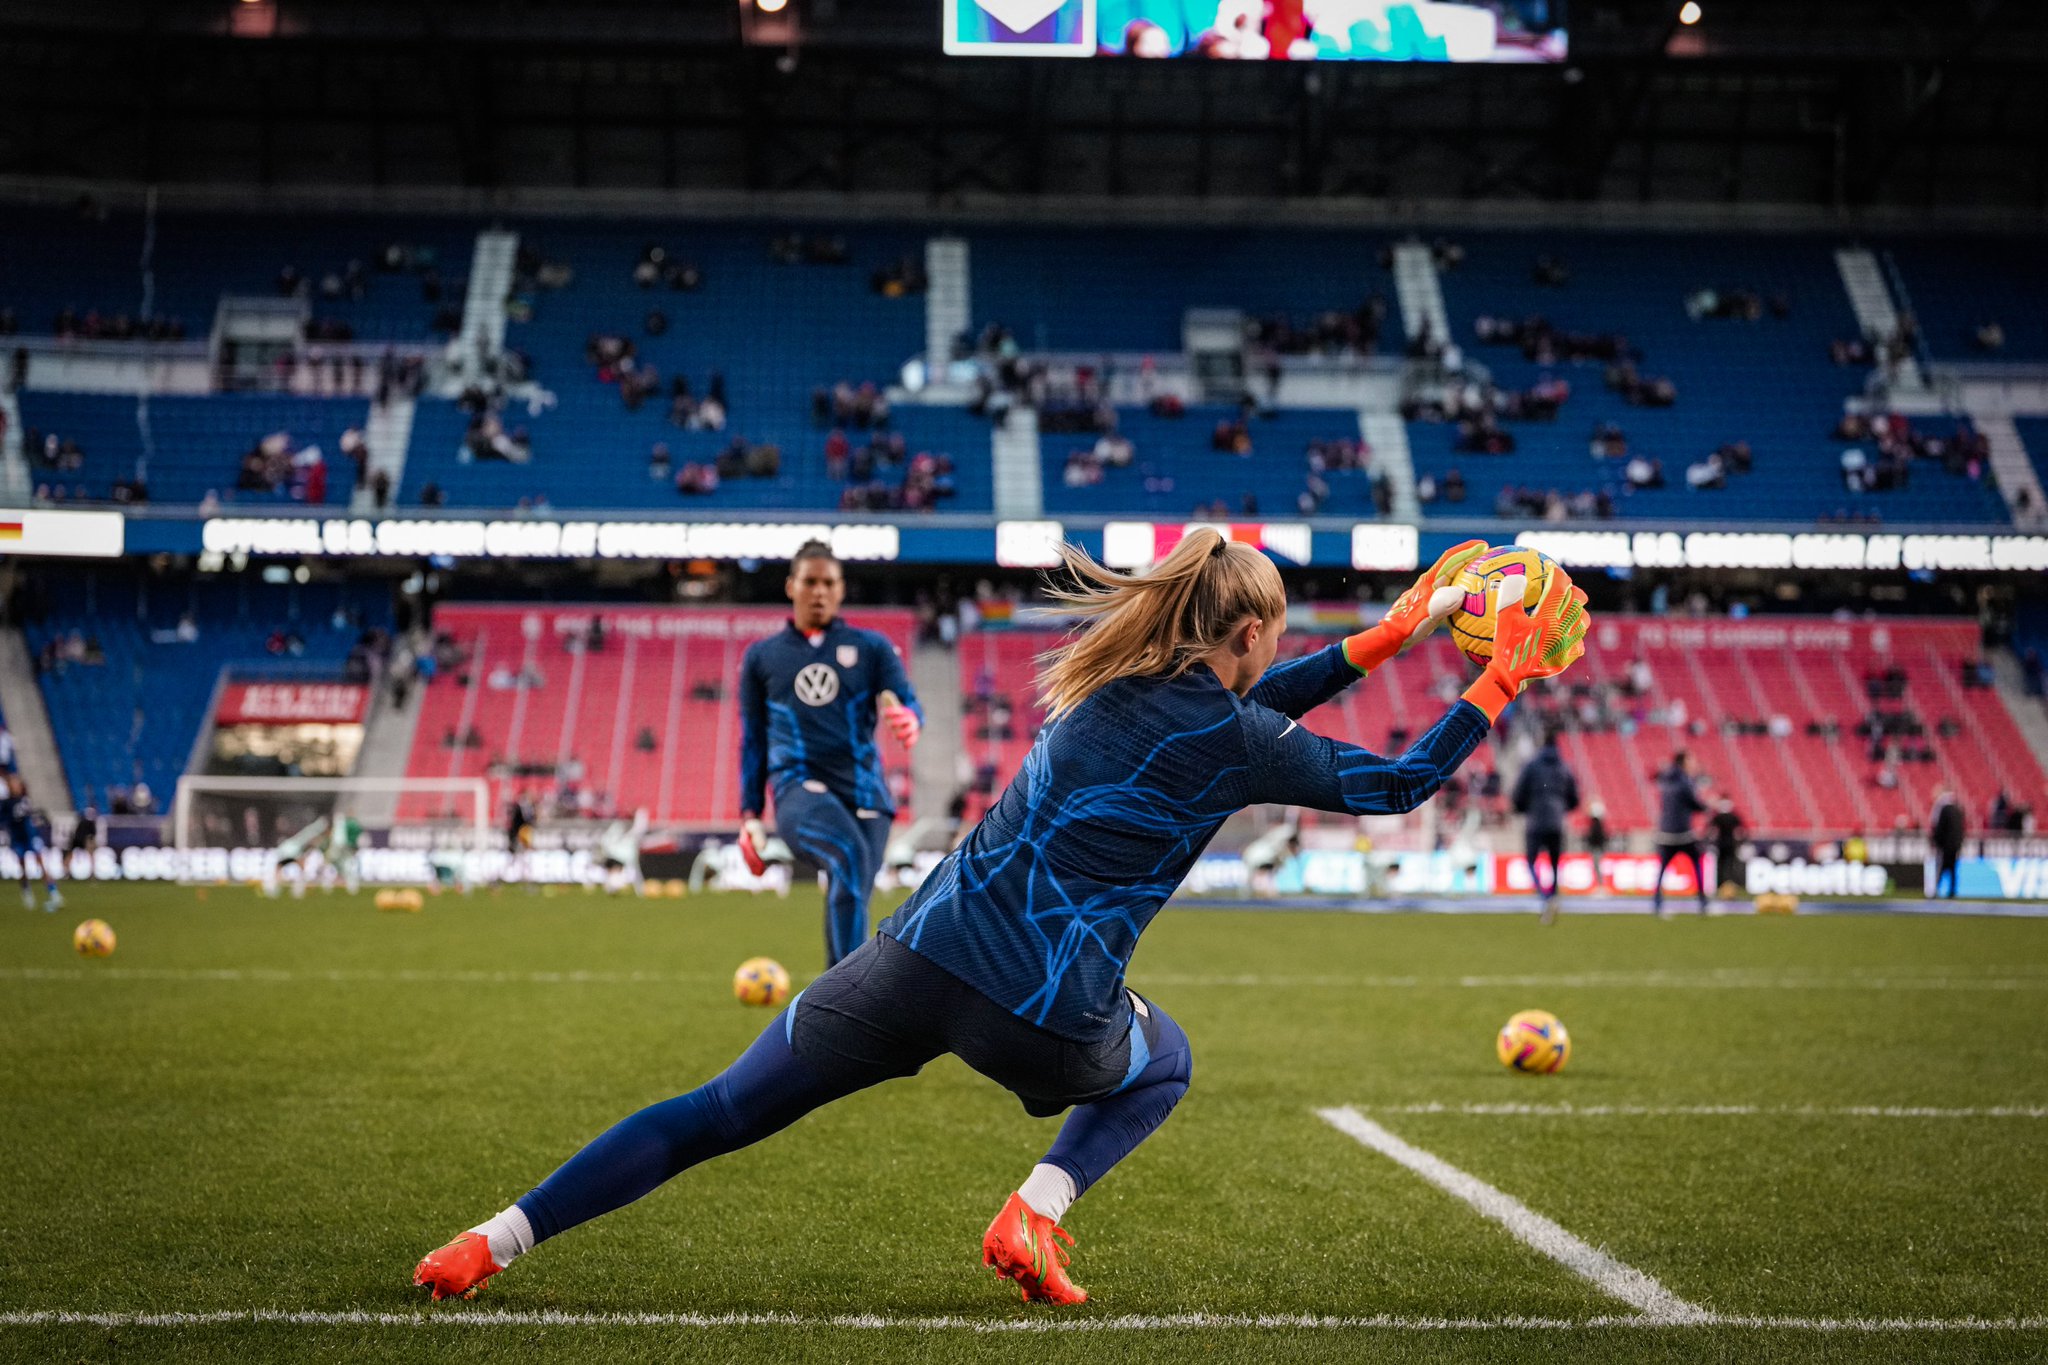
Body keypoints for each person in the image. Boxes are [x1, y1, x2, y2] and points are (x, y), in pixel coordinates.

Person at [412, 532, 1589, 1307]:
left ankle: (493, 1239)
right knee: (1161, 1060)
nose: (1272, 657)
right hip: (1039, 1013)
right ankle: (1031, 1213)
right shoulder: (1228, 738)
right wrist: (1497, 677)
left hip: (911, 959)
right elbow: (1388, 782)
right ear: (1241, 639)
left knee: (713, 1113)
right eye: (1269, 641)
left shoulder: (1109, 681)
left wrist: (1391, 636)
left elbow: (1250, 715)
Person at [736, 540, 925, 968]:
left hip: (866, 795)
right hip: (797, 788)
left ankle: (832, 1002)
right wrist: (749, 814)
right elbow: (753, 741)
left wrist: (911, 719)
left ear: (840, 590)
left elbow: (907, 701)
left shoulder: (872, 648)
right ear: (791, 587)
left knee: (851, 885)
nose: (818, 591)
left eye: (828, 583)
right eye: (810, 582)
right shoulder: (762, 657)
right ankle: (849, 999)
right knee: (848, 855)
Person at [1512, 732, 1579, 925]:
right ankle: (1554, 895)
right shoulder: (1564, 767)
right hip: (1557, 822)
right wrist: (1561, 808)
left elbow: (1518, 795)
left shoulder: (1531, 767)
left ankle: (1545, 897)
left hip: (1535, 821)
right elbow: (1574, 798)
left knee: (1532, 862)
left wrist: (1524, 808)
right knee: (1555, 864)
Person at [1651, 752, 1708, 918]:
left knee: (1662, 869)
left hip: (1664, 832)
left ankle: (1657, 902)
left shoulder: (1666, 779)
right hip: (1682, 833)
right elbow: (1694, 803)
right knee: (1697, 864)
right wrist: (1706, 807)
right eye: (1691, 760)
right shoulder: (1685, 781)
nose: (1694, 763)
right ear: (1683, 762)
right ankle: (1702, 901)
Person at [6, 776, 60, 911]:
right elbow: (5, 820)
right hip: (17, 838)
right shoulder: (6, 803)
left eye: (17, 784)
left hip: (31, 837)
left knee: (41, 863)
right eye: (14, 784)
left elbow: (32, 817)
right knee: (22, 867)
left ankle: (53, 893)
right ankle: (27, 893)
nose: (16, 787)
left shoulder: (25, 800)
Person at [262, 815, 330, 899]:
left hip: (292, 849)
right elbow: (311, 842)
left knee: (291, 868)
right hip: (292, 849)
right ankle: (293, 887)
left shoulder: (312, 831)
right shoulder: (313, 832)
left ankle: (285, 887)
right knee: (297, 868)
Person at [599, 809, 649, 896]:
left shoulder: (623, 827)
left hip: (621, 853)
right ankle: (638, 890)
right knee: (621, 871)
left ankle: (638, 890)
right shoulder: (618, 826)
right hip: (619, 853)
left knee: (630, 871)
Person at [1929, 788, 1965, 899]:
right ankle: (1952, 891)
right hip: (1955, 845)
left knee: (1942, 868)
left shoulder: (1944, 811)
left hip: (1946, 846)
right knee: (1953, 868)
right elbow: (1961, 830)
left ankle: (1936, 890)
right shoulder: (1958, 810)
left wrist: (1936, 841)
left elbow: (1940, 829)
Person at [1706, 797, 1745, 897]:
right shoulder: (1732, 816)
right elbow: (1742, 830)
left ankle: (1723, 885)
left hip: (1722, 844)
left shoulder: (1719, 817)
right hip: (1729, 844)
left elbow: (1710, 829)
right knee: (1729, 866)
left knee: (1723, 866)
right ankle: (1728, 885)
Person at [323, 810, 364, 894]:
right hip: (343, 848)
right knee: (345, 867)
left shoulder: (343, 825)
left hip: (340, 848)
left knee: (333, 864)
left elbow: (338, 840)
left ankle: (328, 883)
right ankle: (351, 887)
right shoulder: (348, 824)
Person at [1584, 799, 1609, 888]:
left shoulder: (1596, 825)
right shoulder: (1598, 825)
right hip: (1597, 848)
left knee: (1597, 867)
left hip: (1596, 849)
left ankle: (1601, 886)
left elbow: (1596, 838)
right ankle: (1600, 885)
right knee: (1597, 868)